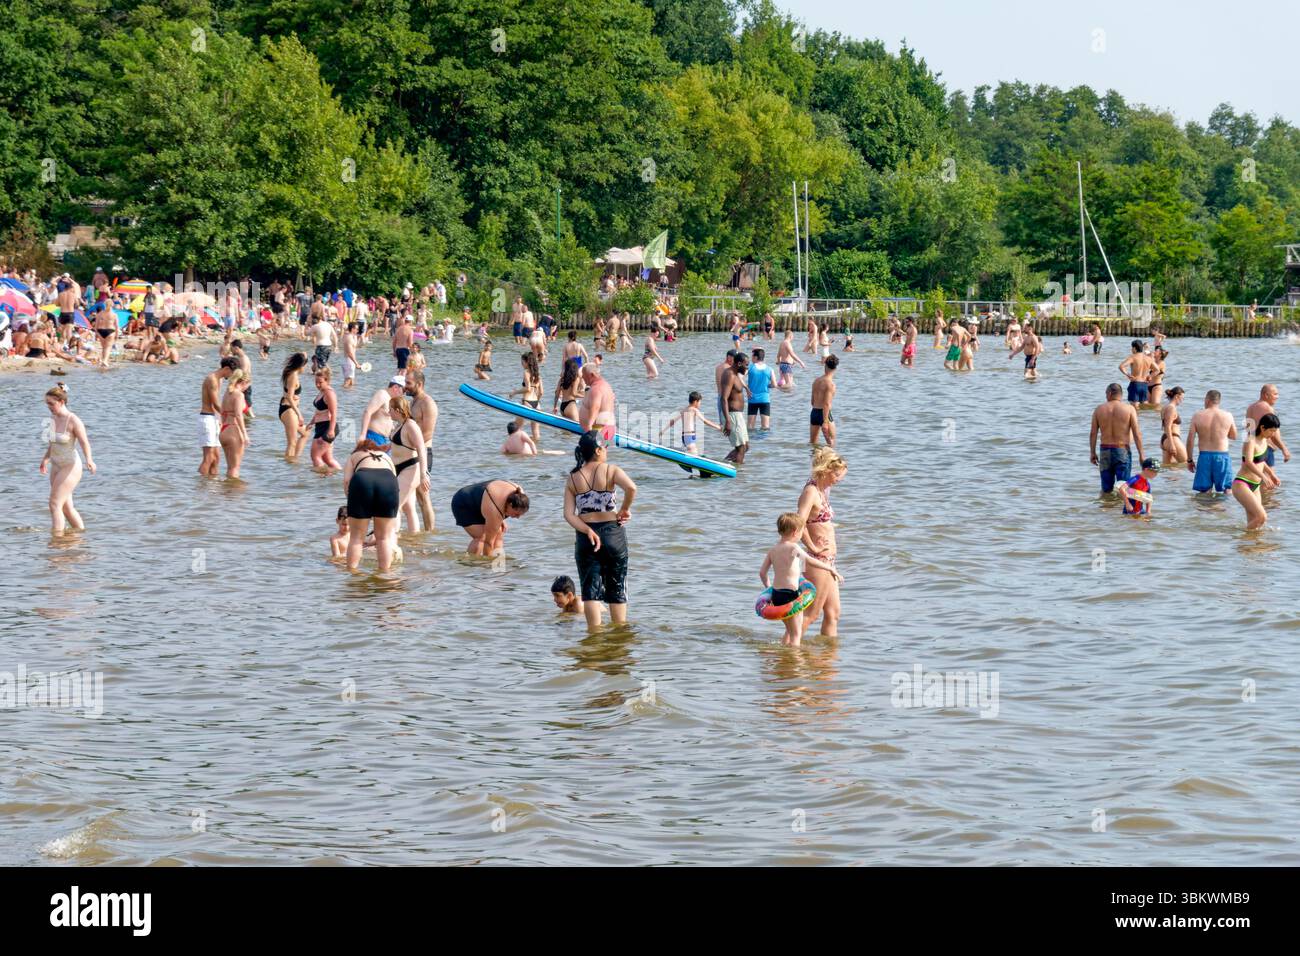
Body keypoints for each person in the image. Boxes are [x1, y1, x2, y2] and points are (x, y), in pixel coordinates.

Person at [563, 430, 636, 628]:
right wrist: (624, 509)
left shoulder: (573, 478)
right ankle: (619, 637)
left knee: (590, 592)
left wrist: (587, 531)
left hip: (587, 538)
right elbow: (631, 488)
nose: (606, 450)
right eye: (605, 447)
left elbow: (569, 515)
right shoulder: (611, 470)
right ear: (597, 451)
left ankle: (594, 638)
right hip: (613, 534)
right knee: (617, 587)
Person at [760, 513, 844, 647]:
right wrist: (830, 569)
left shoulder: (773, 550)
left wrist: (769, 589)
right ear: (795, 532)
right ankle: (795, 662)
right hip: (791, 595)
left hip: (777, 595)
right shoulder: (793, 548)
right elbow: (810, 560)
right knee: (796, 634)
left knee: (789, 629)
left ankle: (784, 655)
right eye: (801, 533)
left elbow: (762, 573)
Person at [797, 446, 847, 638]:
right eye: (837, 477)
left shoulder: (822, 490)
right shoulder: (810, 491)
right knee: (811, 613)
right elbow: (798, 524)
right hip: (817, 559)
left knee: (833, 613)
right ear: (826, 471)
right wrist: (813, 547)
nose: (838, 481)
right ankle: (790, 651)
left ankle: (827, 660)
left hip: (829, 560)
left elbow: (818, 520)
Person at [40, 384, 95, 534]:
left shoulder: (74, 420)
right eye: (47, 404)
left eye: (51, 403)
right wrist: (45, 459)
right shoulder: (52, 418)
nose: (49, 407)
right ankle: (80, 535)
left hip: (70, 466)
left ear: (61, 402)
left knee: (54, 504)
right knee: (66, 507)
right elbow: (53, 442)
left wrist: (89, 460)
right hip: (56, 465)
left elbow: (84, 442)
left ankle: (57, 540)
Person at [341, 437, 400, 571]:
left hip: (363, 480)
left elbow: (346, 482)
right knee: (384, 538)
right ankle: (384, 574)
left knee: (356, 538)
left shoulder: (354, 455)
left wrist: (353, 503)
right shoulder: (385, 456)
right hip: (388, 482)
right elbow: (395, 481)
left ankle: (352, 574)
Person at [1089, 383, 1144, 493]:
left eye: (1105, 394)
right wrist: (1141, 454)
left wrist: (1092, 453)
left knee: (1106, 490)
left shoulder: (1099, 409)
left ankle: (1107, 508)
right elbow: (1137, 433)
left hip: (1105, 451)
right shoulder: (1129, 409)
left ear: (1109, 393)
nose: (1106, 396)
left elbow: (1093, 433)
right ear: (1121, 395)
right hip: (1122, 450)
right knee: (1123, 488)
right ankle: (1120, 509)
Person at [386, 395, 430, 535]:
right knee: (409, 508)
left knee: (394, 505)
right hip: (397, 469)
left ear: (397, 410)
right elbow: (395, 445)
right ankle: (414, 538)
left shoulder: (411, 425)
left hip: (411, 468)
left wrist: (424, 475)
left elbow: (421, 448)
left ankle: (390, 537)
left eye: (390, 409)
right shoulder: (398, 425)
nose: (388, 412)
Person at [451, 480, 530, 556]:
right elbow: (488, 542)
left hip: (485, 504)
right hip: (464, 503)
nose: (518, 517)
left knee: (499, 533)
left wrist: (500, 518)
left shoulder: (520, 495)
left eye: (521, 514)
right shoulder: (494, 509)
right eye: (516, 514)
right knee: (482, 537)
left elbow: (497, 507)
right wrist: (488, 562)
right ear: (510, 505)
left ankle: (498, 561)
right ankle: (469, 563)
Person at [1233, 413, 1282, 529]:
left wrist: (1272, 474)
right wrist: (1264, 477)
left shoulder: (1265, 441)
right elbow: (1248, 462)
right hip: (1242, 484)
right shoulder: (1251, 441)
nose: (1273, 434)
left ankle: (1248, 546)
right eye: (1271, 431)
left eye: (1275, 431)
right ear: (1262, 428)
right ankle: (1241, 538)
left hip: (1255, 486)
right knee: (1262, 517)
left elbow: (1261, 461)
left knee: (1256, 522)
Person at [404, 369, 439, 531]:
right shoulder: (413, 402)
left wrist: (410, 446)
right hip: (411, 452)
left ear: (419, 384)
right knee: (416, 496)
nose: (406, 387)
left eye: (408, 383)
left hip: (423, 452)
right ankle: (419, 531)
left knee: (424, 496)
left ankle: (430, 533)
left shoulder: (428, 403)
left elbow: (427, 432)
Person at [1186, 390, 1237, 495]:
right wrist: (1220, 432)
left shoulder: (1197, 415)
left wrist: (1190, 460)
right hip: (1222, 456)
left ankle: (1205, 510)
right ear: (1218, 401)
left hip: (1204, 456)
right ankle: (1224, 510)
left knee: (1204, 491)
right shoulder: (1228, 415)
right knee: (1227, 489)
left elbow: (1190, 439)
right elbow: (1233, 436)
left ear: (1207, 400)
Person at [199, 356, 239, 477]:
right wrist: (230, 416)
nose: (232, 376)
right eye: (232, 373)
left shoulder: (219, 379)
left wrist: (221, 419)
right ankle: (201, 487)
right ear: (226, 368)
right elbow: (216, 404)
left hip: (214, 418)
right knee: (209, 457)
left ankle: (212, 488)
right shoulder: (212, 379)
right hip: (207, 418)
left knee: (216, 458)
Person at [1245, 384, 1291, 471]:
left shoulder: (1250, 408)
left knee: (1257, 479)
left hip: (1253, 447)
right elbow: (1273, 433)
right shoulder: (1267, 408)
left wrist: (1247, 449)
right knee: (1269, 482)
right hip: (1265, 448)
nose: (1277, 397)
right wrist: (1284, 449)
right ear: (1266, 395)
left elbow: (1249, 431)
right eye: (1275, 394)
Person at [308, 367, 342, 472]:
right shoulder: (322, 391)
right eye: (316, 382)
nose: (317, 385)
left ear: (327, 380)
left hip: (327, 428)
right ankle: (338, 476)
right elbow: (319, 411)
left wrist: (331, 431)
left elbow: (334, 413)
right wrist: (311, 423)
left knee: (315, 456)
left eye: (320, 382)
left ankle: (321, 479)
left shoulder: (329, 393)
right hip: (320, 426)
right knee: (327, 459)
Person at [219, 369, 250, 479]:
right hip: (234, 430)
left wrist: (223, 427)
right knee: (235, 468)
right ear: (243, 383)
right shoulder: (239, 395)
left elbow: (222, 412)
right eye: (248, 385)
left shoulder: (227, 393)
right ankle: (234, 495)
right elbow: (238, 415)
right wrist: (245, 434)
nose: (247, 388)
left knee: (230, 467)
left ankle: (227, 493)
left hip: (224, 430)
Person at [278, 351, 310, 460]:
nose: (305, 368)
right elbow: (290, 397)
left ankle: (295, 459)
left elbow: (287, 393)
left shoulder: (289, 371)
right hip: (289, 410)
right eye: (305, 365)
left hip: (287, 408)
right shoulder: (293, 376)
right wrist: (299, 414)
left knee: (305, 433)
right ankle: (289, 467)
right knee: (292, 442)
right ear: (301, 365)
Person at [720, 351, 750, 465]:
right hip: (732, 416)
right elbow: (723, 398)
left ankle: (723, 464)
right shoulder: (729, 375)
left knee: (745, 446)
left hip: (738, 415)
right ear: (738, 364)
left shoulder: (736, 373)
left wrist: (746, 388)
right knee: (741, 448)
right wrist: (728, 421)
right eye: (746, 365)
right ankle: (738, 475)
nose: (747, 368)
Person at [510, 352, 544, 444]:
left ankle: (515, 449)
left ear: (526, 362)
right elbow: (541, 392)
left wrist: (514, 392)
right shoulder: (538, 374)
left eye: (522, 362)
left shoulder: (526, 372)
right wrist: (537, 399)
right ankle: (535, 453)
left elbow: (528, 388)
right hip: (537, 404)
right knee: (536, 433)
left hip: (527, 402)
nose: (521, 364)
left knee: (515, 429)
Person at [578, 364, 616, 434]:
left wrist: (589, 426)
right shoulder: (605, 385)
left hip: (597, 430)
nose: (582, 376)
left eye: (584, 374)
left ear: (591, 375)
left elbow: (595, 407)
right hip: (607, 428)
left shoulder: (596, 388)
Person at [810, 354, 838, 446]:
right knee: (832, 443)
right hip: (824, 415)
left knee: (813, 444)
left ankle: (814, 460)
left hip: (814, 412)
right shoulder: (830, 384)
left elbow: (812, 402)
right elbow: (826, 404)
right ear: (835, 369)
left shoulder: (816, 381)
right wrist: (825, 422)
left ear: (825, 366)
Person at [747, 347, 776, 431]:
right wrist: (767, 385)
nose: (751, 358)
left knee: (750, 427)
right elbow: (774, 385)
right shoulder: (770, 369)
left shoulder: (750, 368)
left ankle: (752, 442)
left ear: (756, 357)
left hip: (752, 399)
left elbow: (739, 377)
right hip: (765, 399)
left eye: (752, 356)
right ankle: (764, 443)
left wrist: (746, 387)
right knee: (765, 426)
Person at [1160, 386, 1188, 465]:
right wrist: (1172, 445)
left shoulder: (1165, 407)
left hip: (1166, 439)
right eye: (1182, 398)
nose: (1182, 401)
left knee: (1170, 469)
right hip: (1172, 439)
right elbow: (1168, 426)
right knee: (1186, 464)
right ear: (1176, 396)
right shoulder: (1171, 408)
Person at [553, 357, 583, 422]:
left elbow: (557, 394)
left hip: (562, 407)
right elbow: (574, 393)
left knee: (566, 431)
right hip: (570, 405)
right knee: (576, 427)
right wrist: (584, 396)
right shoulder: (575, 379)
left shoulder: (561, 380)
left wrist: (555, 406)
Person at [341, 322, 359, 389]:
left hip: (349, 361)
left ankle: (349, 398)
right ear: (352, 329)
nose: (357, 331)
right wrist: (356, 363)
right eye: (356, 329)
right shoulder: (349, 338)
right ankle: (340, 393)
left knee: (351, 383)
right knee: (347, 382)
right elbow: (349, 353)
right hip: (349, 361)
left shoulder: (352, 336)